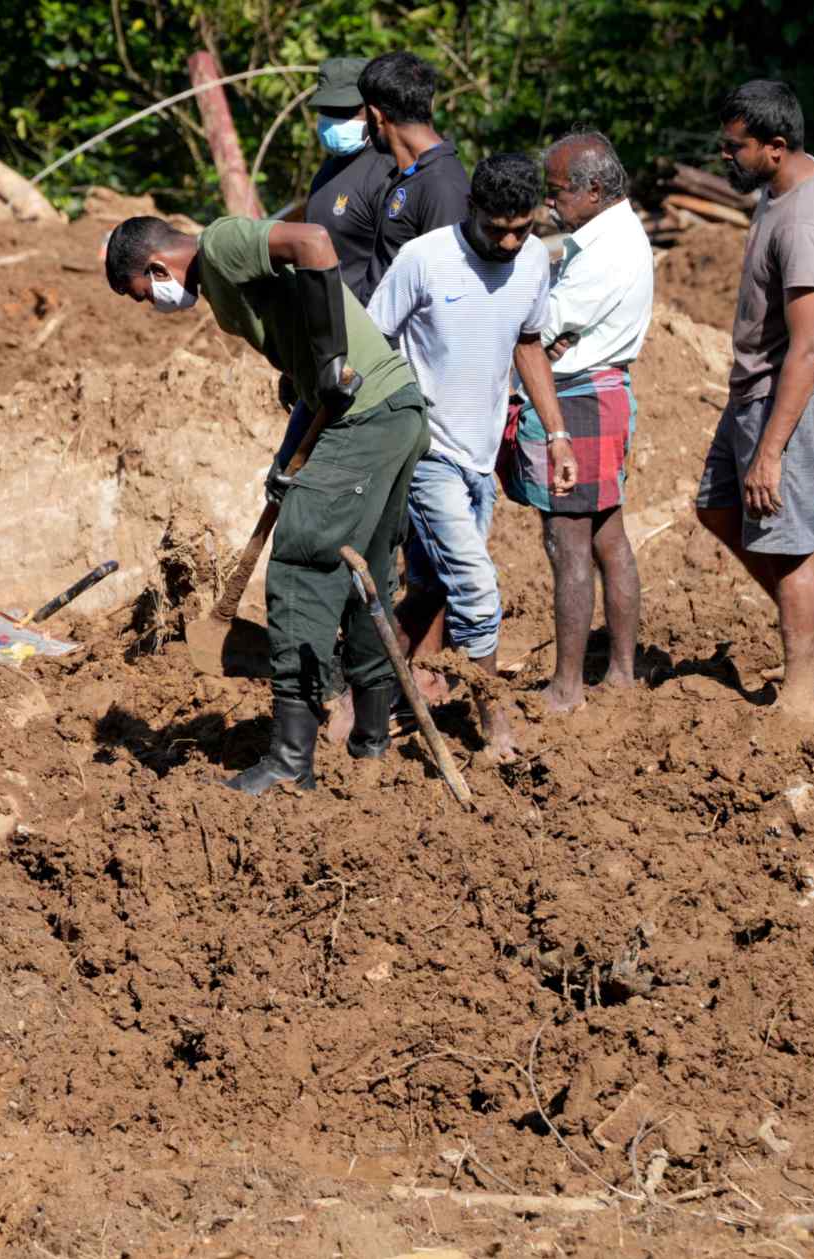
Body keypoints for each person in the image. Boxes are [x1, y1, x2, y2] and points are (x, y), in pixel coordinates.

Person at [103, 215, 428, 791]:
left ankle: (289, 761)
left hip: (363, 420)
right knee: (367, 570)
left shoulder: (221, 246)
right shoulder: (225, 283)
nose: (152, 304)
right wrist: (288, 458)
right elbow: (316, 386)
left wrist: (330, 353)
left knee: (301, 569)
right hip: (393, 410)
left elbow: (313, 242)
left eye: (143, 293)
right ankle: (370, 741)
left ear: (157, 267)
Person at [365, 153, 566, 761]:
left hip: (482, 451)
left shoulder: (533, 258)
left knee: (432, 586)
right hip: (426, 448)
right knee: (478, 590)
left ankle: (361, 700)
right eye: (496, 228)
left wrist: (555, 433)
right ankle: (493, 721)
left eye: (521, 228)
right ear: (471, 209)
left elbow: (528, 342)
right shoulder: (424, 259)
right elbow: (374, 341)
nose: (508, 241)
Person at [695, 79, 814, 724]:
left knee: (787, 541)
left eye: (734, 148)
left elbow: (809, 348)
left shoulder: (806, 223)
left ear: (776, 146)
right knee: (716, 507)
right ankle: (813, 642)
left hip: (789, 392)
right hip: (756, 385)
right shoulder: (783, 185)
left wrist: (771, 451)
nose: (724, 157)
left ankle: (799, 691)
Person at [502, 131, 652, 711]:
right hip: (597, 391)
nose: (551, 203)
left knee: (568, 543)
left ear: (593, 189)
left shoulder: (609, 252)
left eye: (558, 191)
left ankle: (567, 686)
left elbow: (539, 327)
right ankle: (619, 673)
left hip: (578, 398)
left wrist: (541, 340)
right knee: (607, 538)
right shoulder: (604, 237)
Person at [358, 52, 469, 276]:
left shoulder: (441, 186)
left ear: (375, 115)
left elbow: (445, 286)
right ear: (431, 103)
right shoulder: (409, 174)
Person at [301, 56, 392, 304]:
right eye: (327, 111)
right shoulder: (326, 172)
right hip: (322, 320)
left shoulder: (388, 173)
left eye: (346, 111)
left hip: (365, 326)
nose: (335, 121)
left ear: (373, 111)